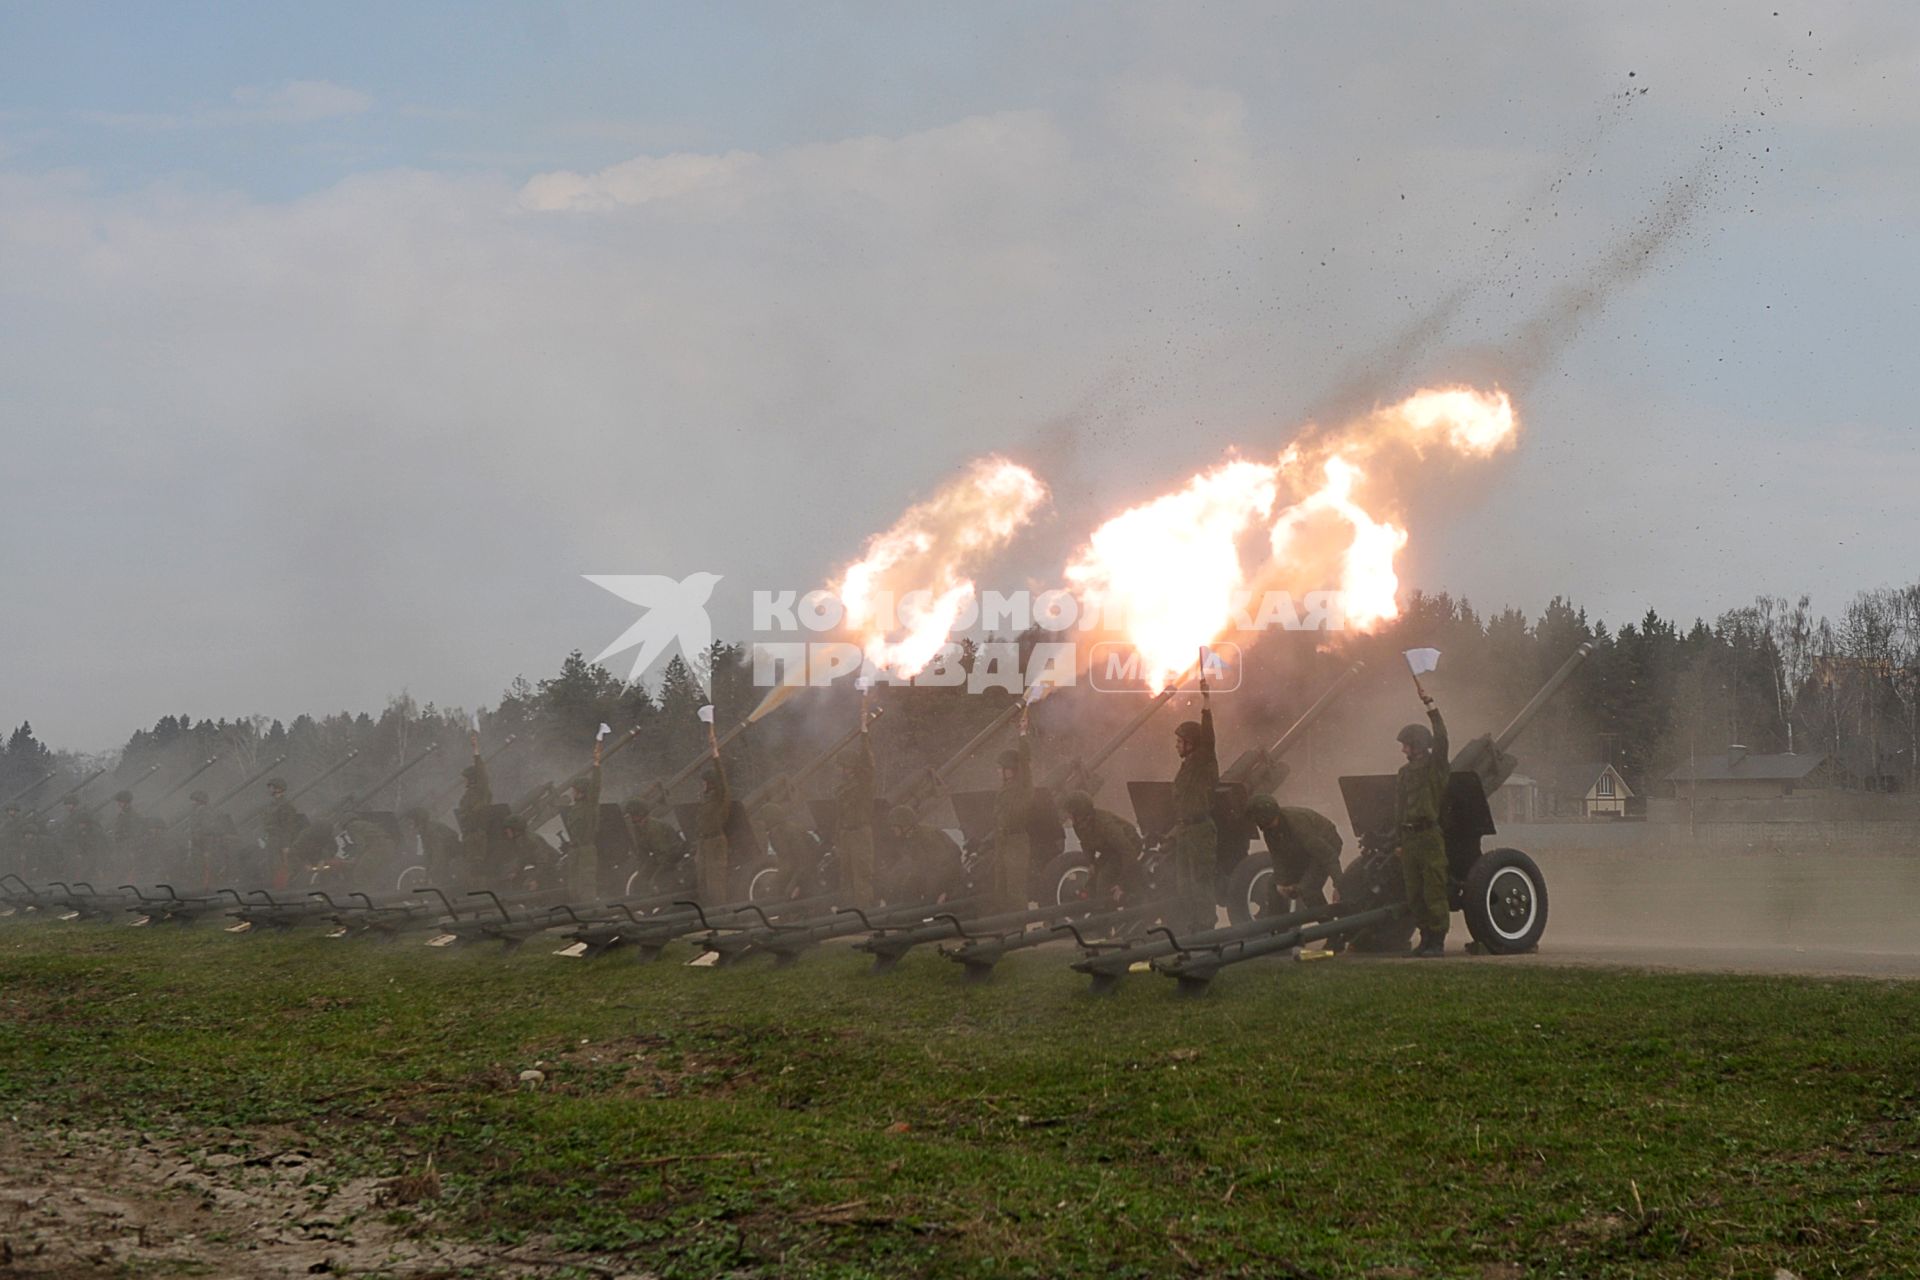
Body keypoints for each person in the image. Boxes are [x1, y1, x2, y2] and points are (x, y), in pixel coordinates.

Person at [1395, 693, 1451, 957]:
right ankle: (1425, 938)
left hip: (1428, 836)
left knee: (1433, 891)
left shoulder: (1434, 766)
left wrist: (1432, 708)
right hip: (1410, 838)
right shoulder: (1404, 774)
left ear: (1418, 745)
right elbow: (1400, 808)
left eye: (1407, 745)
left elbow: (1441, 739)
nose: (1404, 750)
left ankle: (1437, 941)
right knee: (1415, 894)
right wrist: (1399, 842)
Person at [1169, 676, 1219, 932]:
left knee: (1200, 881)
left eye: (1180, 741)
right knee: (1184, 883)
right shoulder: (1187, 766)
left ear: (1191, 744)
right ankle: (1191, 925)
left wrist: (1206, 702)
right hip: (1186, 831)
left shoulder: (1202, 760)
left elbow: (1208, 739)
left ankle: (1206, 927)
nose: (1176, 745)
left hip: (1200, 831)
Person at [1244, 794, 1343, 916]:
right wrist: (1281, 882)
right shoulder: (1269, 831)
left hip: (1325, 845)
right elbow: (1278, 858)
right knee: (1273, 886)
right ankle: (1278, 929)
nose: (1265, 828)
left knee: (1308, 888)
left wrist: (1339, 886)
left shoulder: (1298, 824)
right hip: (1301, 850)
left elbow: (1327, 855)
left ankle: (1331, 927)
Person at [1060, 790, 1143, 905]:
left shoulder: (1105, 824)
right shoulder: (1079, 825)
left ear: (1080, 813)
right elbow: (1086, 843)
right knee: (1091, 882)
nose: (1068, 816)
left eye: (1071, 813)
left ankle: (1108, 912)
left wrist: (1122, 885)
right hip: (1111, 850)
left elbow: (1127, 851)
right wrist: (1092, 863)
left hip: (1130, 845)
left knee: (1104, 879)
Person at [832, 710, 878, 903]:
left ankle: (863, 914)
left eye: (843, 766)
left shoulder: (863, 783)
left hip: (860, 834)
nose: (840, 770)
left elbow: (868, 764)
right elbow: (840, 816)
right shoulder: (842, 788)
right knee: (846, 877)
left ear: (850, 767)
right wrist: (837, 839)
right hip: (846, 834)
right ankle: (848, 914)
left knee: (862, 877)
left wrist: (865, 735)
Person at [884, 805, 965, 905]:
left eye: (895, 826)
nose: (893, 830)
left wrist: (944, 892)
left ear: (905, 826)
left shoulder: (928, 837)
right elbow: (910, 867)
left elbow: (946, 866)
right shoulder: (911, 839)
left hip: (949, 884)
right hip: (933, 881)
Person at [991, 723, 1034, 913]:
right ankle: (1005, 927)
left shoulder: (1022, 786)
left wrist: (1023, 734)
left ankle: (1018, 930)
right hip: (1003, 840)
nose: (998, 771)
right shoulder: (1004, 790)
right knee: (1001, 887)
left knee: (1015, 888)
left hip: (1016, 841)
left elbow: (1024, 761)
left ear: (1011, 769)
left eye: (1001, 768)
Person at [758, 800, 825, 899]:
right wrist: (776, 882)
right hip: (798, 872)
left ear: (770, 819)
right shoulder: (775, 833)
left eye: (764, 820)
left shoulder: (788, 832)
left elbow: (804, 861)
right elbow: (786, 862)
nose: (762, 824)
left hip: (808, 873)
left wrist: (795, 884)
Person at [622, 797, 688, 894]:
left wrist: (657, 871)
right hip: (660, 856)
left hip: (673, 855)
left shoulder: (654, 827)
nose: (632, 818)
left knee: (657, 880)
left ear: (640, 813)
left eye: (633, 814)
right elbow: (642, 851)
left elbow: (664, 852)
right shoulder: (638, 828)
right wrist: (642, 868)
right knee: (645, 877)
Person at [560, 763, 602, 899]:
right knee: (573, 886)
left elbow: (595, 787)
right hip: (575, 850)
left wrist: (596, 766)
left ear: (582, 792)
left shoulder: (589, 806)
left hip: (585, 851)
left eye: (575, 790)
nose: (572, 793)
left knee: (586, 886)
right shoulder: (576, 808)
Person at [694, 752, 731, 904]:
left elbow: (722, 779)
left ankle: (719, 911)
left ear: (711, 783)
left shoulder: (720, 797)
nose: (703, 785)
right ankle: (707, 910)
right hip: (704, 842)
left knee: (715, 880)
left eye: (705, 782)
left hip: (715, 841)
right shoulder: (707, 799)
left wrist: (716, 756)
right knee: (702, 878)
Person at [406, 807, 466, 888]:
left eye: (411, 824)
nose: (410, 828)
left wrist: (431, 872)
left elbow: (438, 853)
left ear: (419, 822)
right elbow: (428, 854)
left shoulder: (431, 831)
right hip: (449, 862)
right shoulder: (425, 832)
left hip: (455, 862)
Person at [496, 813, 558, 890]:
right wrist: (516, 872)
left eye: (507, 829)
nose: (505, 831)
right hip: (543, 868)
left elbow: (544, 862)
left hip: (552, 868)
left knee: (526, 886)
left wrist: (535, 879)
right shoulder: (519, 841)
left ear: (516, 830)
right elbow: (522, 859)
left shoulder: (532, 841)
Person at [261, 778, 302, 890]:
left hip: (280, 840)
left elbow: (288, 827)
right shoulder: (271, 805)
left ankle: (281, 889)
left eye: (272, 787)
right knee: (270, 866)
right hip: (271, 839)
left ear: (278, 789)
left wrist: (286, 845)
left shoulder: (286, 806)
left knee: (279, 866)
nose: (270, 789)